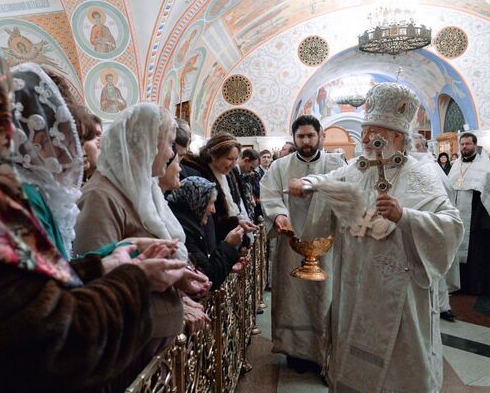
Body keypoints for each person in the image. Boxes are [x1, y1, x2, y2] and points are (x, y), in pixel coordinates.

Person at [0, 30, 190, 393]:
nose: (6, 128)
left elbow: (29, 292)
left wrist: (104, 264)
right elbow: (51, 339)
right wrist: (136, 279)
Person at [288, 82, 463, 392]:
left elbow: (450, 225)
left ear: (398, 137)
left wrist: (405, 216)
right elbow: (326, 181)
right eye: (366, 130)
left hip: (402, 290)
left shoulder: (422, 174)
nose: (367, 138)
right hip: (354, 283)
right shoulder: (355, 169)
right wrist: (306, 184)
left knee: (400, 362)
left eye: (375, 131)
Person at [74, 103, 210, 386]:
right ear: (145, 143)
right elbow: (101, 280)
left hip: (155, 347)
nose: (173, 154)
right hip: (132, 353)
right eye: (169, 144)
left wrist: (178, 283)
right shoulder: (101, 196)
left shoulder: (143, 191)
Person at [260, 115, 345, 377]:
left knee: (324, 296)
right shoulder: (280, 166)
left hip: (326, 244)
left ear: (320, 135)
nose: (306, 141)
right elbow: (269, 194)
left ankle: (323, 353)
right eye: (300, 136)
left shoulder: (336, 164)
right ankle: (295, 351)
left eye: (310, 135)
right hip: (291, 243)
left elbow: (347, 194)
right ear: (294, 138)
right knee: (292, 297)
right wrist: (278, 215)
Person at [11, 62, 83, 259]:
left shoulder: (36, 189)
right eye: (70, 140)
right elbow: (56, 281)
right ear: (40, 142)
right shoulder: (28, 197)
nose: (77, 153)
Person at [410, 135, 459, 322]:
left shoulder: (427, 166)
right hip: (426, 223)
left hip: (432, 222)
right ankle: (441, 305)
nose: (410, 151)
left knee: (434, 268)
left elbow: (443, 194)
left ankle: (439, 306)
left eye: (413, 146)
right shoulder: (425, 164)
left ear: (422, 147)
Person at [168, 176, 244, 289]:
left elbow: (204, 265)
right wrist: (228, 245)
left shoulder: (189, 222)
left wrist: (228, 265)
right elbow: (208, 275)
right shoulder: (185, 229)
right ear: (198, 202)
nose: (214, 210)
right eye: (211, 203)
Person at [180, 133, 257, 243]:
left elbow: (237, 205)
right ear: (214, 155)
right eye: (229, 159)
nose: (233, 164)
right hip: (215, 239)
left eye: (236, 159)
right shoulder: (200, 174)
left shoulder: (230, 174)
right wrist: (235, 223)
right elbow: (209, 218)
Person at [449, 132, 490, 295]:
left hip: (476, 219)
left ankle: (475, 286)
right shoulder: (455, 165)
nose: (464, 147)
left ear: (475, 145)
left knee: (476, 253)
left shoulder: (485, 166)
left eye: (468, 144)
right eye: (462, 144)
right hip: (456, 216)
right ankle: (458, 284)